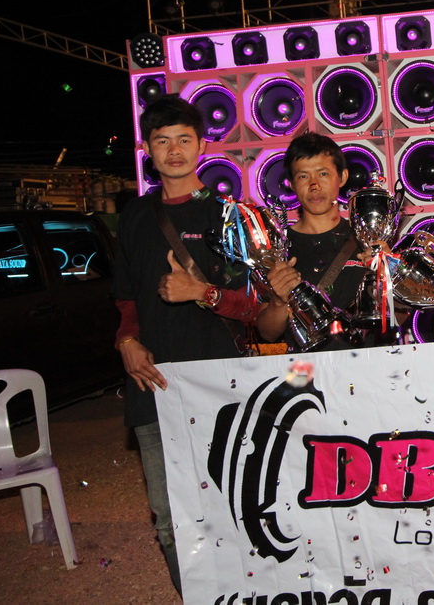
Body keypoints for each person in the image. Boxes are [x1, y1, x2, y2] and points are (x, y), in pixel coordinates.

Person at [112, 95, 287, 594]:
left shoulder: (230, 216)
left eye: (183, 140)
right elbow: (125, 297)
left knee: (234, 508)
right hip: (153, 385)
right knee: (169, 518)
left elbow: (258, 312)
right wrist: (126, 339)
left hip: (219, 385)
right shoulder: (133, 217)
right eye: (162, 141)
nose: (173, 151)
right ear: (147, 149)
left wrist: (201, 292)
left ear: (202, 146)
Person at [257, 132, 385, 346]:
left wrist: (389, 277)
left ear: (342, 177)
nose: (314, 185)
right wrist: (279, 301)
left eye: (323, 174)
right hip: (306, 365)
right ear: (291, 184)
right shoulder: (277, 248)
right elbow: (267, 333)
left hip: (367, 361)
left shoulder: (368, 239)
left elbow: (398, 318)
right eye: (303, 176)